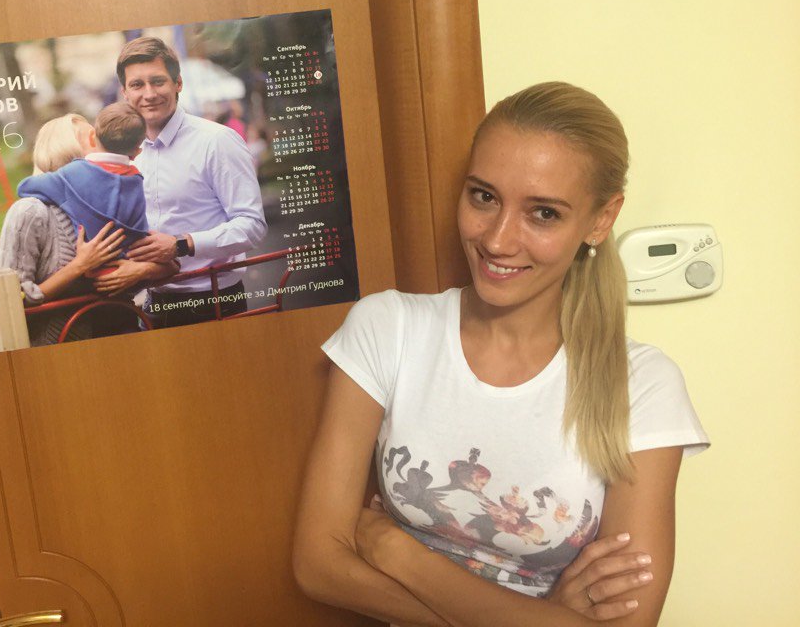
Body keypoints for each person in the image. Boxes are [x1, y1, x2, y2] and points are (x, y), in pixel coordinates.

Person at [293, 83, 709, 627]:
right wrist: (542, 617)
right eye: (484, 197)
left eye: (543, 213)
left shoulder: (644, 386)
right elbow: (318, 567)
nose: (497, 240)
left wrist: (401, 555)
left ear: (601, 220)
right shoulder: (388, 328)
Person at [117, 36, 267, 328]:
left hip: (214, 302)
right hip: (153, 303)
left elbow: (252, 225)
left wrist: (182, 245)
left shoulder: (217, 141)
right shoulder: (127, 153)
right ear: (125, 93)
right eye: (137, 85)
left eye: (158, 81)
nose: (149, 94)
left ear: (178, 83)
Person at [0, 113, 173, 345]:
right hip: (61, 343)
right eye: (92, 137)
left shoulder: (116, 204)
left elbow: (171, 266)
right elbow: (8, 302)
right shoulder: (31, 211)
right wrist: (79, 266)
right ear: (67, 150)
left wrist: (141, 270)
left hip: (124, 332)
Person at [16, 102, 151, 258]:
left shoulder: (71, 176)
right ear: (137, 152)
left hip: (101, 266)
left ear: (94, 138)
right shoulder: (135, 179)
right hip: (130, 261)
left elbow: (25, 187)